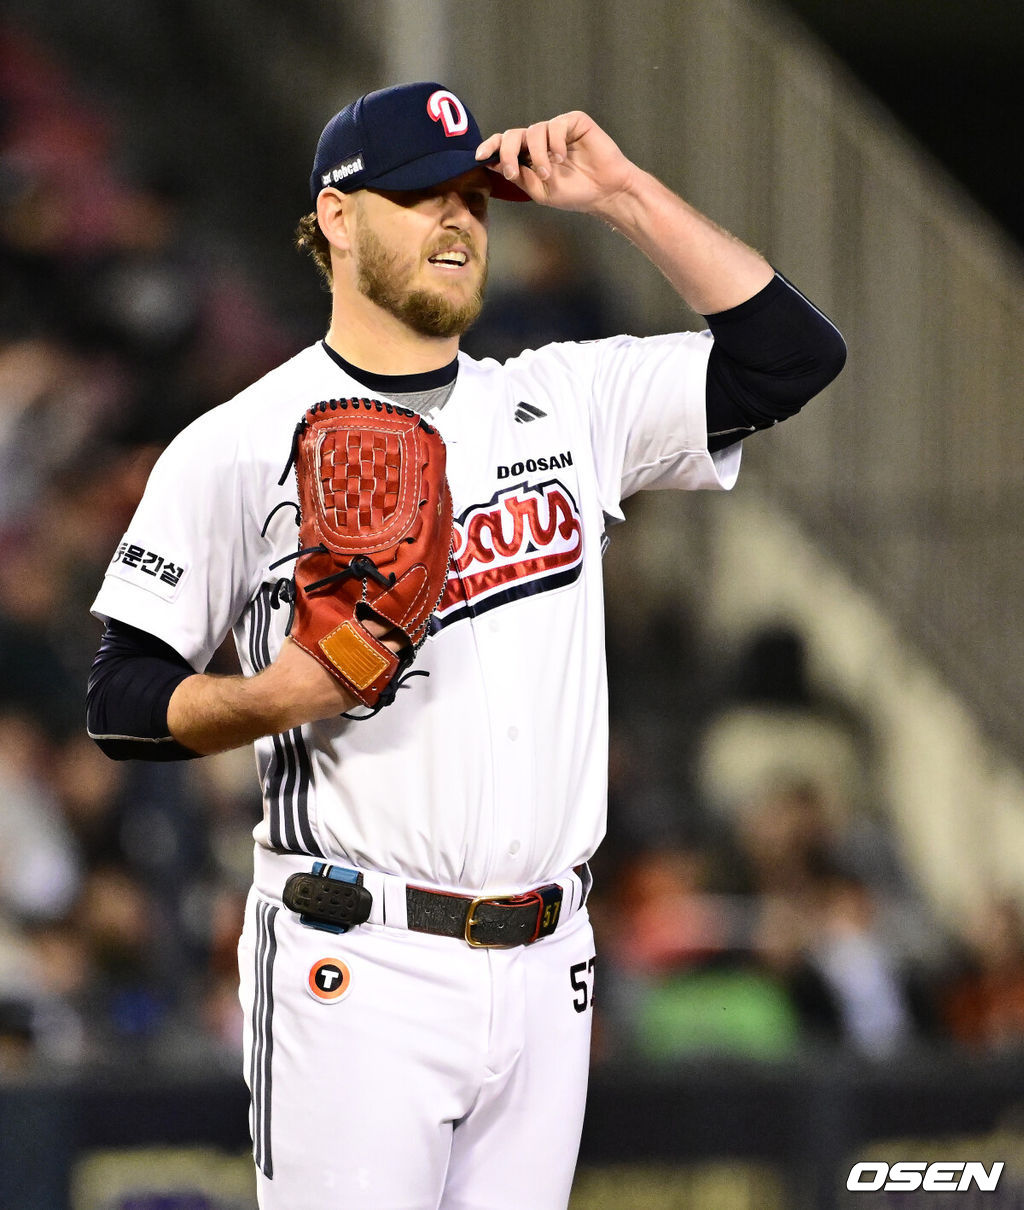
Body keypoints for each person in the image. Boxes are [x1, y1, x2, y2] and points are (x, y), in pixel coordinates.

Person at [86, 81, 846, 1210]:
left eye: (472, 197)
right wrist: (281, 694)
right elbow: (121, 698)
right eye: (418, 194)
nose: (456, 219)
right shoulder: (237, 444)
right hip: (360, 961)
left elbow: (790, 356)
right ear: (336, 218)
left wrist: (623, 195)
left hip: (549, 960)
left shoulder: (564, 399)